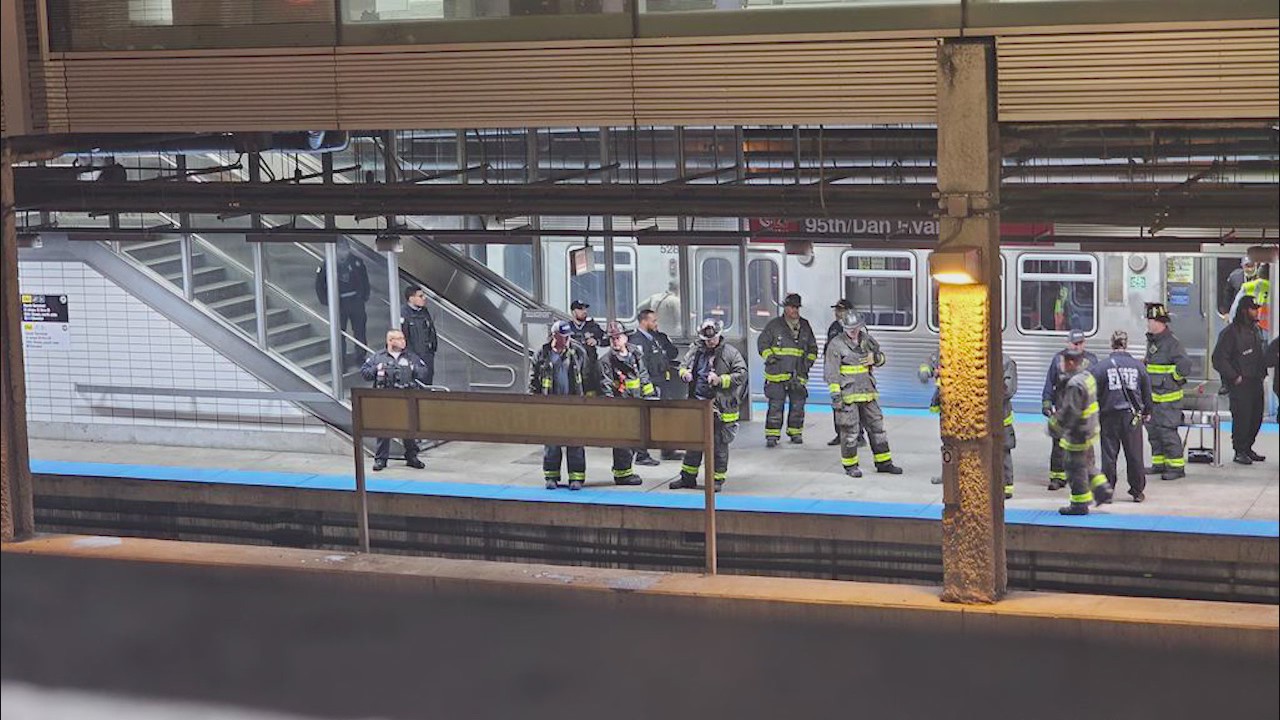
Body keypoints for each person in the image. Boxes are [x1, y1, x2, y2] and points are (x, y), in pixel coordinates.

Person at [670, 319, 747, 493]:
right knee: (694, 444)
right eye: (707, 339)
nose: (710, 342)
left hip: (720, 408)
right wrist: (685, 374)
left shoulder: (730, 353)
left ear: (719, 335)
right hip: (697, 405)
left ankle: (716, 480)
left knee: (719, 446)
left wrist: (720, 380)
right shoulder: (696, 350)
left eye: (712, 339)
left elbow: (741, 374)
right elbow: (683, 366)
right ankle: (688, 477)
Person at [824, 311, 902, 477]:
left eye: (855, 327)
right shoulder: (836, 345)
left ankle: (884, 463)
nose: (853, 331)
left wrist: (876, 358)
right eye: (849, 328)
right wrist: (836, 396)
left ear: (860, 326)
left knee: (877, 428)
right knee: (850, 432)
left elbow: (881, 358)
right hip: (848, 396)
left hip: (868, 393)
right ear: (843, 327)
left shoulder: (867, 340)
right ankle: (850, 466)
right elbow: (831, 373)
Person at [1050, 347, 1113, 515]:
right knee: (1087, 464)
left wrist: (1055, 426)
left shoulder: (1074, 384)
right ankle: (1102, 489)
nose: (1061, 365)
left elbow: (1070, 411)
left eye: (1063, 362)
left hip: (1077, 433)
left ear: (1071, 362)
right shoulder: (1087, 378)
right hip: (1089, 430)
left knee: (1074, 469)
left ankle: (1079, 504)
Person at [1092, 330, 1154, 502]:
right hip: (1132, 417)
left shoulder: (1101, 367)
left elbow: (1093, 393)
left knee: (1109, 456)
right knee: (1134, 455)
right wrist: (1147, 412)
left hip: (1108, 416)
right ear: (1126, 345)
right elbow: (1147, 392)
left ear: (1111, 344)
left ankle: (1107, 491)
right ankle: (1137, 491)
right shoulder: (1138, 366)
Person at [531, 321, 590, 490]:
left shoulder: (577, 352)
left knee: (575, 442)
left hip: (574, 405)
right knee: (552, 444)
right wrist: (534, 404)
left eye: (568, 336)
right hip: (550, 406)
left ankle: (576, 478)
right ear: (554, 336)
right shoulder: (543, 354)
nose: (567, 339)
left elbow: (587, 376)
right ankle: (551, 477)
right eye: (563, 336)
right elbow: (533, 380)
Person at [360, 330, 429, 472]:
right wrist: (377, 369)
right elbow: (365, 373)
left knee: (409, 429)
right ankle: (381, 459)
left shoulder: (410, 356)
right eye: (399, 338)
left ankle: (412, 456)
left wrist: (412, 369)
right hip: (385, 398)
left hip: (406, 397)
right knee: (383, 429)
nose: (403, 341)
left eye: (403, 338)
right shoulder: (378, 357)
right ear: (390, 341)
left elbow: (424, 372)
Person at [758, 293, 819, 447]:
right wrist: (770, 358)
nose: (795, 310)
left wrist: (808, 363)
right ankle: (772, 436)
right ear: (785, 308)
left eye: (797, 307)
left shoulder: (805, 325)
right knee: (775, 406)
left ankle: (795, 433)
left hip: (798, 374)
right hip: (777, 374)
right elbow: (762, 344)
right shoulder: (774, 325)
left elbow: (812, 348)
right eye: (792, 307)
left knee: (798, 406)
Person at [1212, 296, 1267, 465]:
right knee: (1242, 417)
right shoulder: (1230, 333)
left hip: (1256, 380)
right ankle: (1239, 450)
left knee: (1256, 417)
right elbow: (1219, 359)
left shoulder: (1256, 330)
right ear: (1244, 311)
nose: (1256, 312)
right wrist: (1234, 376)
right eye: (1252, 309)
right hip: (1240, 383)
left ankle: (1248, 447)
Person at [598, 321, 655, 485]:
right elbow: (606, 386)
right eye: (612, 338)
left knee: (635, 440)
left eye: (618, 337)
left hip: (638, 405)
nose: (615, 341)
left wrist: (649, 398)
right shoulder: (606, 361)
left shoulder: (635, 354)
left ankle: (627, 471)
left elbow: (643, 376)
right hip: (621, 408)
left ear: (625, 338)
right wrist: (612, 409)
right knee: (622, 442)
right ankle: (622, 475)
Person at [1041, 329, 1098, 490]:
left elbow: (1097, 384)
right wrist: (1046, 403)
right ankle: (1057, 477)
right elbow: (1050, 383)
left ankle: (1087, 476)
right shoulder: (1058, 360)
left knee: (1086, 445)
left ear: (1084, 343)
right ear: (1068, 343)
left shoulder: (1091, 361)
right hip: (1063, 408)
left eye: (1080, 343)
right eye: (1074, 343)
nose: (1077, 346)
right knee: (1059, 444)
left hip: (1083, 410)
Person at [1144, 302, 1192, 480]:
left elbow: (1185, 366)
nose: (1148, 324)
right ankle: (1159, 464)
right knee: (1154, 433)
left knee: (1167, 433)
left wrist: (1171, 379)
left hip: (1168, 400)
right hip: (1154, 399)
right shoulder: (1153, 341)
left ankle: (1176, 468)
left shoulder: (1172, 343)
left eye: (1150, 320)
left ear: (1159, 322)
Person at [629, 309, 681, 463]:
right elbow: (641, 367)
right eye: (653, 321)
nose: (656, 324)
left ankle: (668, 450)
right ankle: (641, 455)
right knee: (644, 420)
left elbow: (670, 353)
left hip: (662, 383)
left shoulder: (656, 338)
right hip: (648, 386)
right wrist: (647, 387)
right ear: (644, 321)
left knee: (665, 418)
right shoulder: (637, 340)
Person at [315, 240, 370, 368]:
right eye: (341, 249)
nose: (343, 252)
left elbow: (364, 280)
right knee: (339, 333)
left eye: (345, 249)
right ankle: (341, 360)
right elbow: (319, 284)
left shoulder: (356, 262)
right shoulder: (327, 264)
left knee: (360, 331)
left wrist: (363, 296)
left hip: (355, 300)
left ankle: (360, 357)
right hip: (338, 303)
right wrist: (326, 301)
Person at [399, 286, 438, 387]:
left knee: (428, 381)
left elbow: (430, 330)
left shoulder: (424, 312)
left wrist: (432, 348)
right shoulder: (404, 313)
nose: (424, 298)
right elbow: (403, 336)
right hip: (414, 356)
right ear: (411, 298)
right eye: (420, 296)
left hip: (427, 355)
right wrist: (410, 355)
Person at [827, 299, 853, 446]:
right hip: (836, 374)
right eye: (836, 310)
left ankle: (858, 435)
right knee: (837, 404)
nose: (837, 313)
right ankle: (840, 434)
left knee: (854, 406)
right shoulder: (834, 327)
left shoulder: (856, 328)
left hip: (852, 376)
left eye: (841, 310)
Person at [568, 300, 605, 397]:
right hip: (572, 369)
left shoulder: (593, 327)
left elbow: (608, 339)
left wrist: (597, 341)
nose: (584, 311)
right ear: (573, 312)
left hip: (591, 370)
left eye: (585, 309)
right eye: (580, 309)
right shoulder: (567, 327)